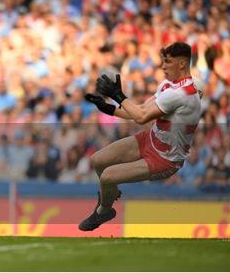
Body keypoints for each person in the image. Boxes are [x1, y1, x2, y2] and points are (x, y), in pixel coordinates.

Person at [80, 42, 201, 231]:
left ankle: (104, 210)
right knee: (97, 160)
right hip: (150, 139)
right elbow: (141, 109)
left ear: (182, 64)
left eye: (167, 62)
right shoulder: (168, 85)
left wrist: (118, 95)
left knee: (107, 177)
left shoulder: (182, 94)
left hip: (165, 159)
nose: (163, 66)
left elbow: (141, 117)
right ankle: (109, 196)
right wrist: (109, 108)